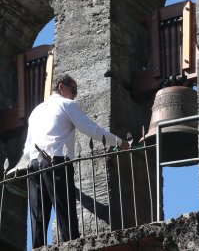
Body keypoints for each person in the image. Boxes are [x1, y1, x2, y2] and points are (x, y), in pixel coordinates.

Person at [9, 74, 129, 248]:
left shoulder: (36, 111)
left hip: (33, 165)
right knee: (65, 210)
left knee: (38, 216)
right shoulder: (67, 104)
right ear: (61, 86)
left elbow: (27, 148)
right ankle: (71, 246)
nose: (75, 95)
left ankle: (37, 248)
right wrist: (120, 143)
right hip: (55, 162)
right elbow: (92, 129)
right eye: (74, 90)